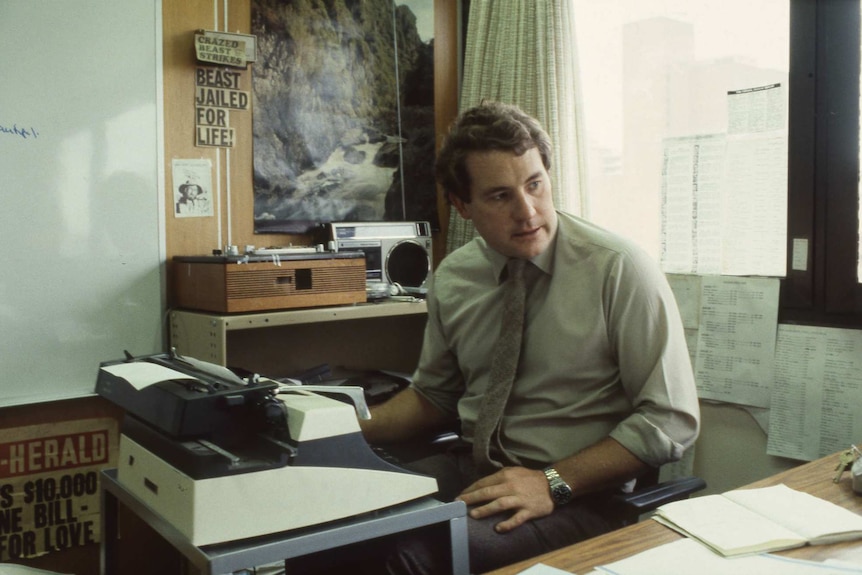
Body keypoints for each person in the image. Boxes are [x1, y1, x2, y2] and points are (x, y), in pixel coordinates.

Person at [357, 101, 700, 575]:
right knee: (331, 518)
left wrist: (553, 482)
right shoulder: (454, 277)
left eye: (535, 184)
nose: (528, 211)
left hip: (579, 494)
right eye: (500, 196)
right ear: (462, 205)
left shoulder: (617, 268)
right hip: (476, 471)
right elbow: (434, 396)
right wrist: (339, 428)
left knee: (411, 555)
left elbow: (671, 421)